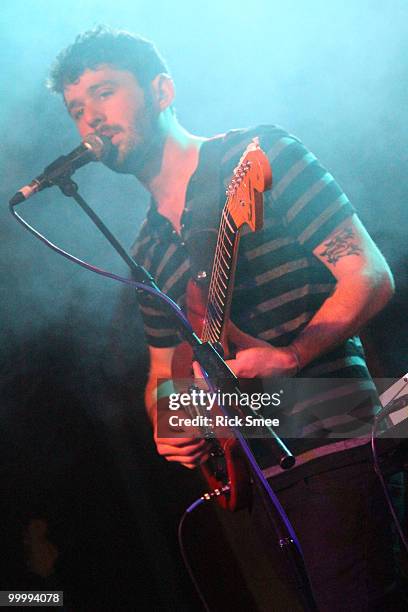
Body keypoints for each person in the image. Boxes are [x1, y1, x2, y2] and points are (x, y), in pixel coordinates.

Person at [48, 26, 403, 610]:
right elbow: (163, 372)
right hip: (258, 472)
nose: (92, 119)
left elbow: (369, 274)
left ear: (162, 90)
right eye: (77, 109)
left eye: (105, 92)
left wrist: (291, 357)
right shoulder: (147, 248)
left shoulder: (258, 156)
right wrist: (172, 424)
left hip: (339, 430)